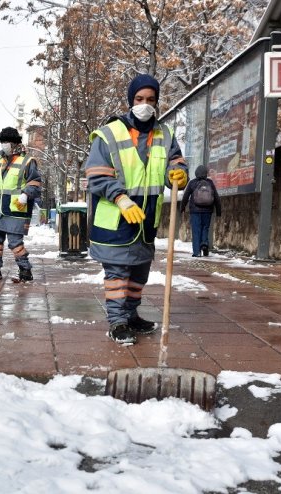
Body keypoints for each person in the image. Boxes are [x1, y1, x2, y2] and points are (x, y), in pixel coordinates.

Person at [84, 74, 188, 345]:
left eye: (151, 100)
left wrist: (178, 173)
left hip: (145, 221)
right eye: (140, 99)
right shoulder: (108, 134)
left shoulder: (164, 135)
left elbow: (175, 161)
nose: (145, 104)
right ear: (131, 101)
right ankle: (117, 322)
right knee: (118, 274)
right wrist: (120, 198)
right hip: (116, 221)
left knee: (138, 274)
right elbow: (96, 175)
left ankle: (130, 315)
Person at [0, 126, 42, 282]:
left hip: (16, 209)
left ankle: (25, 270)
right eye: (2, 142)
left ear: (15, 143)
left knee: (15, 243)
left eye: (7, 141)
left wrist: (26, 195)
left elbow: (35, 181)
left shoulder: (27, 161)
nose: (4, 144)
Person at [180, 165, 222, 257]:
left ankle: (197, 252)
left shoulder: (192, 183)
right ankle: (204, 243)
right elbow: (216, 197)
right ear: (206, 173)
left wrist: (182, 208)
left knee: (196, 230)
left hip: (195, 211)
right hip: (208, 210)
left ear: (196, 173)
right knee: (205, 228)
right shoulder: (210, 182)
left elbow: (186, 196)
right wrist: (218, 211)